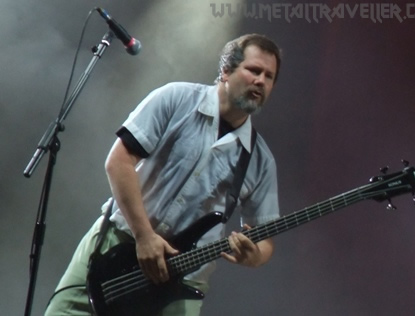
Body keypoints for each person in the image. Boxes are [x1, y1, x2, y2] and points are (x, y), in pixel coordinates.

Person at [45, 33, 282, 315]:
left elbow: (264, 239)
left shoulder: (260, 159)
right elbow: (118, 162)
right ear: (226, 70)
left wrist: (254, 256)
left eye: (269, 77)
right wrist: (144, 235)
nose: (261, 81)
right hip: (115, 247)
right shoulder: (175, 98)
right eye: (254, 70)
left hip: (181, 280)